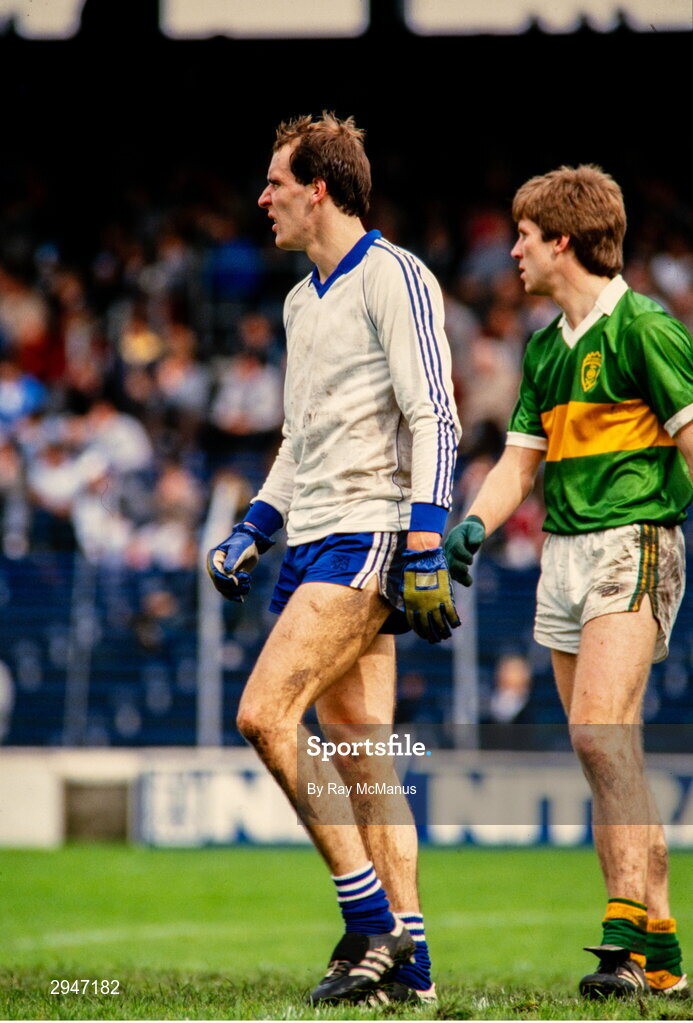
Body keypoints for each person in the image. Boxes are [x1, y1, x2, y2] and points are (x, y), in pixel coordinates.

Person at [206, 112, 461, 1006]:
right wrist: (255, 523)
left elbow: (435, 412)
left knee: (264, 713)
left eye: (275, 181)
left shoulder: (394, 276)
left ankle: (369, 923)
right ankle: (413, 973)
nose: (263, 196)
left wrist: (424, 541)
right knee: (360, 755)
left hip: (372, 533)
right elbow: (297, 437)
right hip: (313, 533)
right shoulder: (299, 298)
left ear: (319, 188)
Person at [445, 164, 693, 1001]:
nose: (509, 249)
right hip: (563, 554)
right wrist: (471, 527)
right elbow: (520, 461)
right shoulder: (546, 346)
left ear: (561, 241)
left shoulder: (647, 329)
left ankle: (619, 945)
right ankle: (658, 952)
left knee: (596, 733)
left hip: (635, 539)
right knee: (606, 750)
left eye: (522, 234)